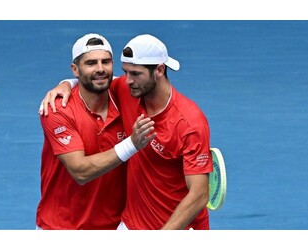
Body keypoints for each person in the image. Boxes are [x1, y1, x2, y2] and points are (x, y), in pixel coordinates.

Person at [39, 34, 213, 230]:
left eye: (135, 74)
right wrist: (67, 83)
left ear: (159, 70)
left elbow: (199, 195)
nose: (127, 80)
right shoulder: (128, 92)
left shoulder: (190, 122)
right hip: (129, 225)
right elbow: (96, 79)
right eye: (125, 72)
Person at [36, 33, 156, 230]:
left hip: (115, 227)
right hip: (60, 228)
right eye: (91, 63)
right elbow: (80, 171)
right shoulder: (58, 109)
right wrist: (132, 144)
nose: (100, 69)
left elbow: (155, 85)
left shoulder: (123, 94)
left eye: (106, 62)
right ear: (75, 69)